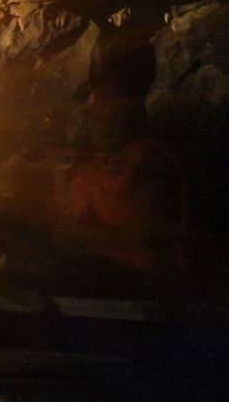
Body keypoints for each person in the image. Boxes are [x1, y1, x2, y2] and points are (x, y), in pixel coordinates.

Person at [61, 86, 187, 284]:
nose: (105, 127)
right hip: (100, 270)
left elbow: (146, 236)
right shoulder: (90, 168)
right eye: (97, 119)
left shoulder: (148, 160)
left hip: (144, 279)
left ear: (132, 120)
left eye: (114, 118)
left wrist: (81, 233)